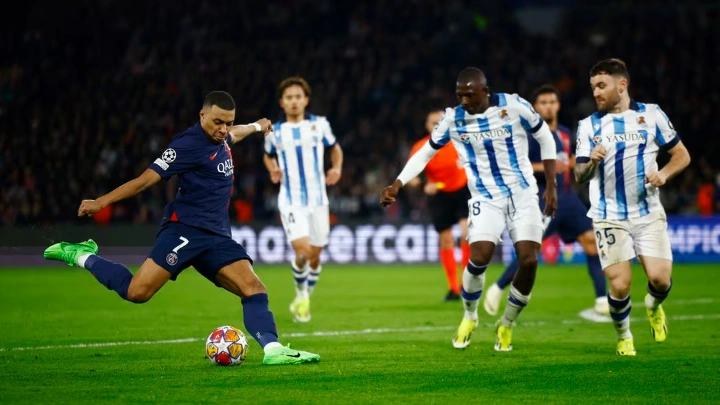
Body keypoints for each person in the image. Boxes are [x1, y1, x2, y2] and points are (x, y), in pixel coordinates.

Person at [44, 91, 320, 365]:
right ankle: (82, 255)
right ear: (202, 115)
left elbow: (236, 133)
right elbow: (144, 180)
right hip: (185, 231)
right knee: (136, 292)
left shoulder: (222, 137)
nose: (223, 129)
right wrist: (100, 202)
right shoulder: (186, 146)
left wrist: (258, 126)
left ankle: (273, 350)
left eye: (227, 122)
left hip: (216, 236)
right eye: (217, 122)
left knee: (254, 288)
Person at [381, 67, 557, 351]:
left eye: (470, 95)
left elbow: (545, 138)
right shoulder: (452, 119)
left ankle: (507, 323)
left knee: (528, 259)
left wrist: (552, 185)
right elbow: (426, 152)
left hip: (523, 194)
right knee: (479, 256)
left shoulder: (514, 106)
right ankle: (469, 316)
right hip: (485, 198)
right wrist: (397, 184)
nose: (464, 101)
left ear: (485, 91)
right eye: (459, 95)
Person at [574, 59, 691, 356]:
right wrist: (592, 162)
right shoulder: (588, 126)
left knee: (660, 279)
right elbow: (578, 174)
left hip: (648, 212)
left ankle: (653, 306)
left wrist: (663, 174)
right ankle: (624, 336)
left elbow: (681, 155)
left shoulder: (651, 115)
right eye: (593, 88)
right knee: (620, 285)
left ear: (621, 85)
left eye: (602, 86)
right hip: (608, 215)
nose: (596, 93)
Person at [483, 85, 609, 318]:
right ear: (535, 107)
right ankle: (497, 287)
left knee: (592, 242)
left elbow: (570, 162)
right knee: (530, 251)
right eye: (543, 102)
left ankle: (602, 300)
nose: (548, 106)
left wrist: (579, 162)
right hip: (542, 196)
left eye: (552, 101)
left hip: (568, 197)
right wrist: (548, 166)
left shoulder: (563, 133)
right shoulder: (528, 135)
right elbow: (517, 166)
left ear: (558, 105)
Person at [263, 77, 343, 323]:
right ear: (282, 103)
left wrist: (337, 168)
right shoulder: (274, 131)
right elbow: (267, 155)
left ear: (306, 100)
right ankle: (302, 295)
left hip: (319, 200)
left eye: (298, 96)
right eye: (289, 97)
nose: (294, 101)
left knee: (316, 256)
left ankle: (303, 297)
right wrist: (273, 168)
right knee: (303, 251)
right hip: (291, 200)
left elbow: (335, 148)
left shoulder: (320, 125)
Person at [407, 109, 471, 302]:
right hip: (439, 196)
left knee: (467, 232)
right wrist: (424, 185)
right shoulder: (421, 147)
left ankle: (466, 284)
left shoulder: (462, 141)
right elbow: (409, 176)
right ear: (427, 126)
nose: (438, 125)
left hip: (463, 191)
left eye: (441, 121)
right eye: (433, 123)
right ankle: (453, 288)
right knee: (446, 240)